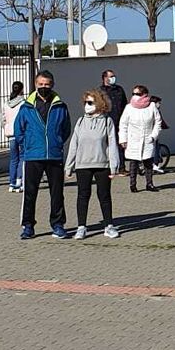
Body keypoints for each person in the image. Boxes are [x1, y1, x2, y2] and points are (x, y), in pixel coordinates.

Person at [14, 70, 73, 239]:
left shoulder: (60, 106)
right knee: (30, 193)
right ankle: (28, 226)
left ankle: (58, 224)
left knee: (57, 193)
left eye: (47, 84)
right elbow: (19, 129)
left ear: (52, 85)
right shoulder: (26, 107)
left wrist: (58, 141)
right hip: (33, 155)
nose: (44, 87)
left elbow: (66, 128)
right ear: (35, 84)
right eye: (41, 84)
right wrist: (27, 145)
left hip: (54, 155)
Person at [66, 89, 122, 239]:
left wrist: (114, 166)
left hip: (102, 165)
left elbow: (112, 145)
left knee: (104, 195)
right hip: (83, 165)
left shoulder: (106, 121)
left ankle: (109, 226)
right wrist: (69, 166)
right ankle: (81, 227)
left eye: (90, 102)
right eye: (85, 103)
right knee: (83, 195)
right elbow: (74, 144)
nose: (87, 105)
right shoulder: (80, 121)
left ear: (99, 103)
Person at [119, 84, 162, 192]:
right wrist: (123, 139)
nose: (135, 96)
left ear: (144, 94)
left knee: (148, 163)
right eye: (133, 94)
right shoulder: (129, 107)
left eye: (137, 94)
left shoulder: (151, 106)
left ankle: (149, 183)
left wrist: (153, 136)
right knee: (133, 163)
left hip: (147, 138)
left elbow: (158, 122)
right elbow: (123, 124)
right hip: (133, 139)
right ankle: (132, 185)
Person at [100, 69, 127, 175]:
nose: (113, 78)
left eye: (114, 76)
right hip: (106, 121)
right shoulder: (100, 91)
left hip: (119, 121)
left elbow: (124, 104)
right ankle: (107, 167)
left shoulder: (119, 89)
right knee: (107, 144)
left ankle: (122, 167)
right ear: (105, 78)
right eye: (111, 76)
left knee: (121, 144)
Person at [3, 81, 25, 193]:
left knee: (13, 159)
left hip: (10, 134)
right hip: (21, 133)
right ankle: (19, 181)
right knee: (22, 157)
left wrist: (6, 127)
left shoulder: (6, 103)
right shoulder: (23, 103)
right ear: (21, 90)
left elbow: (3, 119)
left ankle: (11, 183)